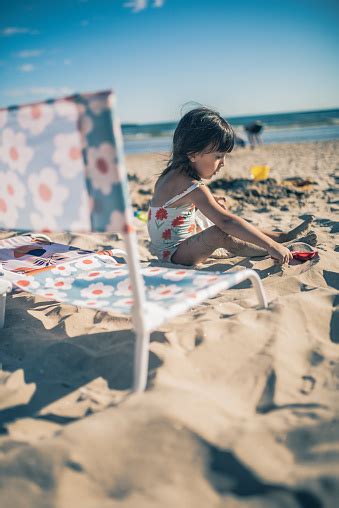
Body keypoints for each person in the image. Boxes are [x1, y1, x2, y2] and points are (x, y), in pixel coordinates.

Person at [147, 107, 312, 266]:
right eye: (218, 156)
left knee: (230, 220)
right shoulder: (193, 188)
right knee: (221, 230)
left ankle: (280, 236)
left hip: (169, 247)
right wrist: (271, 246)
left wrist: (205, 203)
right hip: (175, 254)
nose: (223, 163)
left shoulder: (168, 176)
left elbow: (172, 211)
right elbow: (226, 222)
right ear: (193, 154)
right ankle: (271, 248)